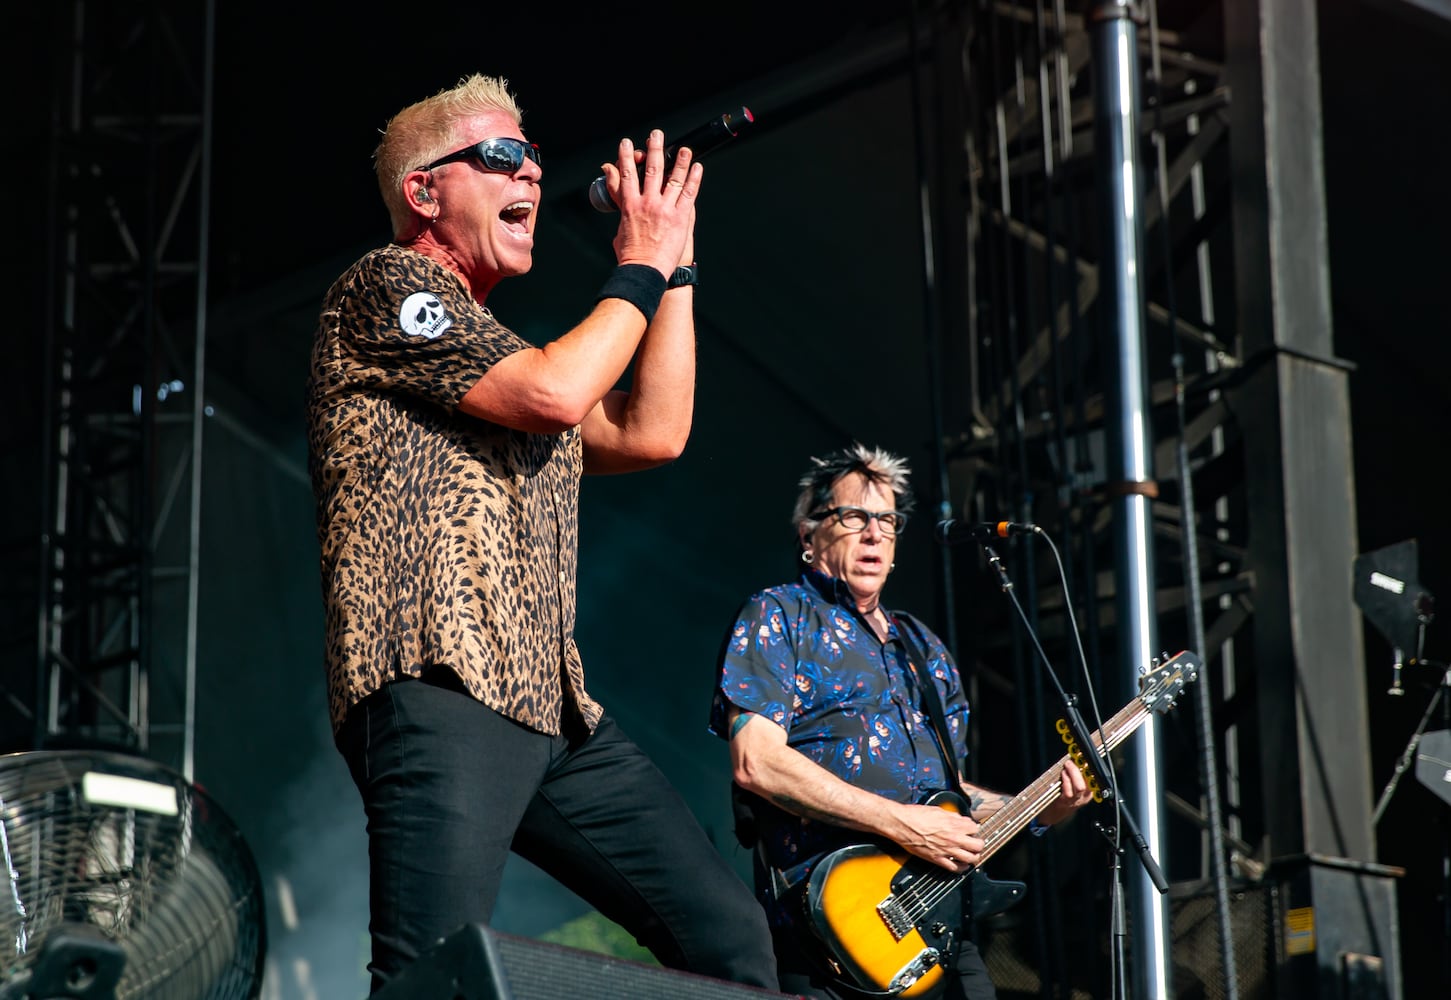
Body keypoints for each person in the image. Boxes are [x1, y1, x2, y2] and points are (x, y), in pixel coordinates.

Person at [305, 73, 776, 993]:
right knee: (428, 976)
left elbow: (652, 432)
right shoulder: (384, 287)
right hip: (437, 681)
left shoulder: (498, 349)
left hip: (555, 712)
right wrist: (634, 263)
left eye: (533, 156)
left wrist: (672, 264)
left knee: (730, 941)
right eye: (499, 155)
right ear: (424, 192)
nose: (529, 171)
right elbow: (558, 393)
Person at [709, 443, 1094, 1000]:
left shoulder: (923, 648)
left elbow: (950, 795)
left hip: (937, 926)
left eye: (887, 521)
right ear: (809, 535)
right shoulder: (780, 615)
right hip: (833, 924)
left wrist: (1040, 807)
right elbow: (757, 763)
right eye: (854, 517)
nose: (874, 534)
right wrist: (903, 823)